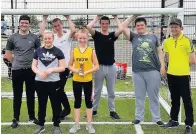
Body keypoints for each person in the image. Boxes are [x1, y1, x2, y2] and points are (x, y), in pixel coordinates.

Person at [122, 16, 165, 126]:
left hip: (153, 70)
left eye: (142, 25)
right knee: (139, 96)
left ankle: (156, 118)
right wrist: (133, 16)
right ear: (135, 27)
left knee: (153, 96)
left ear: (145, 26)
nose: (140, 27)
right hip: (137, 72)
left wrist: (162, 66)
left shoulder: (153, 37)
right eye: (138, 25)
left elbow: (160, 52)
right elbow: (123, 26)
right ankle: (138, 117)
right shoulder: (134, 37)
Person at [5, 15, 40, 128]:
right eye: (22, 22)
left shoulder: (34, 37)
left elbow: (39, 52)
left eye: (26, 23)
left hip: (31, 70)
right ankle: (16, 118)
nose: (24, 24)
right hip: (17, 70)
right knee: (17, 95)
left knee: (31, 94)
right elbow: (8, 54)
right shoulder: (12, 38)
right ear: (19, 24)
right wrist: (16, 62)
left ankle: (32, 116)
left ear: (29, 24)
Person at [86, 15, 123, 119]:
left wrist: (116, 18)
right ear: (100, 24)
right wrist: (97, 18)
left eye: (106, 23)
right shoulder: (96, 35)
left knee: (111, 91)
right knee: (97, 91)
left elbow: (121, 29)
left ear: (109, 24)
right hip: (99, 67)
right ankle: (94, 110)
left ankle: (112, 111)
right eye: (103, 23)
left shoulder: (112, 35)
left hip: (111, 67)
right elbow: (88, 26)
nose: (105, 25)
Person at [40, 15, 76, 119]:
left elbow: (73, 30)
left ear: (61, 25)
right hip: (54, 68)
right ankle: (60, 112)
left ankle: (67, 109)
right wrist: (44, 18)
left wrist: (68, 18)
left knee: (59, 89)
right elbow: (42, 33)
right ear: (53, 27)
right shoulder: (52, 38)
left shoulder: (67, 36)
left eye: (58, 25)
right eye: (55, 26)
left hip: (64, 68)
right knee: (55, 90)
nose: (57, 27)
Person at [163, 18, 195, 134]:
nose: (174, 28)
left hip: (183, 75)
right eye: (172, 26)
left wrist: (181, 65)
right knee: (174, 99)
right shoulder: (167, 42)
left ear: (181, 28)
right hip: (171, 75)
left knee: (187, 101)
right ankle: (174, 120)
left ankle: (189, 125)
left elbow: (192, 60)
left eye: (176, 26)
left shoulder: (187, 41)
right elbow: (167, 57)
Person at [32, 32, 65, 134]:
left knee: (55, 104)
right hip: (40, 82)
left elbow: (63, 67)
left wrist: (52, 70)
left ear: (53, 39)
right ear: (43, 39)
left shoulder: (58, 51)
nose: (47, 40)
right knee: (42, 104)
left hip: (54, 82)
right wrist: (38, 72)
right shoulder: (38, 51)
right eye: (45, 38)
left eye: (49, 38)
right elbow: (33, 66)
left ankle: (56, 125)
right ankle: (41, 125)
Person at [68, 28, 99, 134]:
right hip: (76, 80)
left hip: (88, 80)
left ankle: (89, 125)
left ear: (87, 38)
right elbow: (69, 65)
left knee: (88, 102)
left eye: (84, 38)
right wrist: (75, 70)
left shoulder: (91, 50)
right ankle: (77, 124)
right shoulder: (74, 50)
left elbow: (97, 66)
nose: (82, 40)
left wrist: (87, 72)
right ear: (77, 38)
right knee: (77, 102)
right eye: (80, 38)